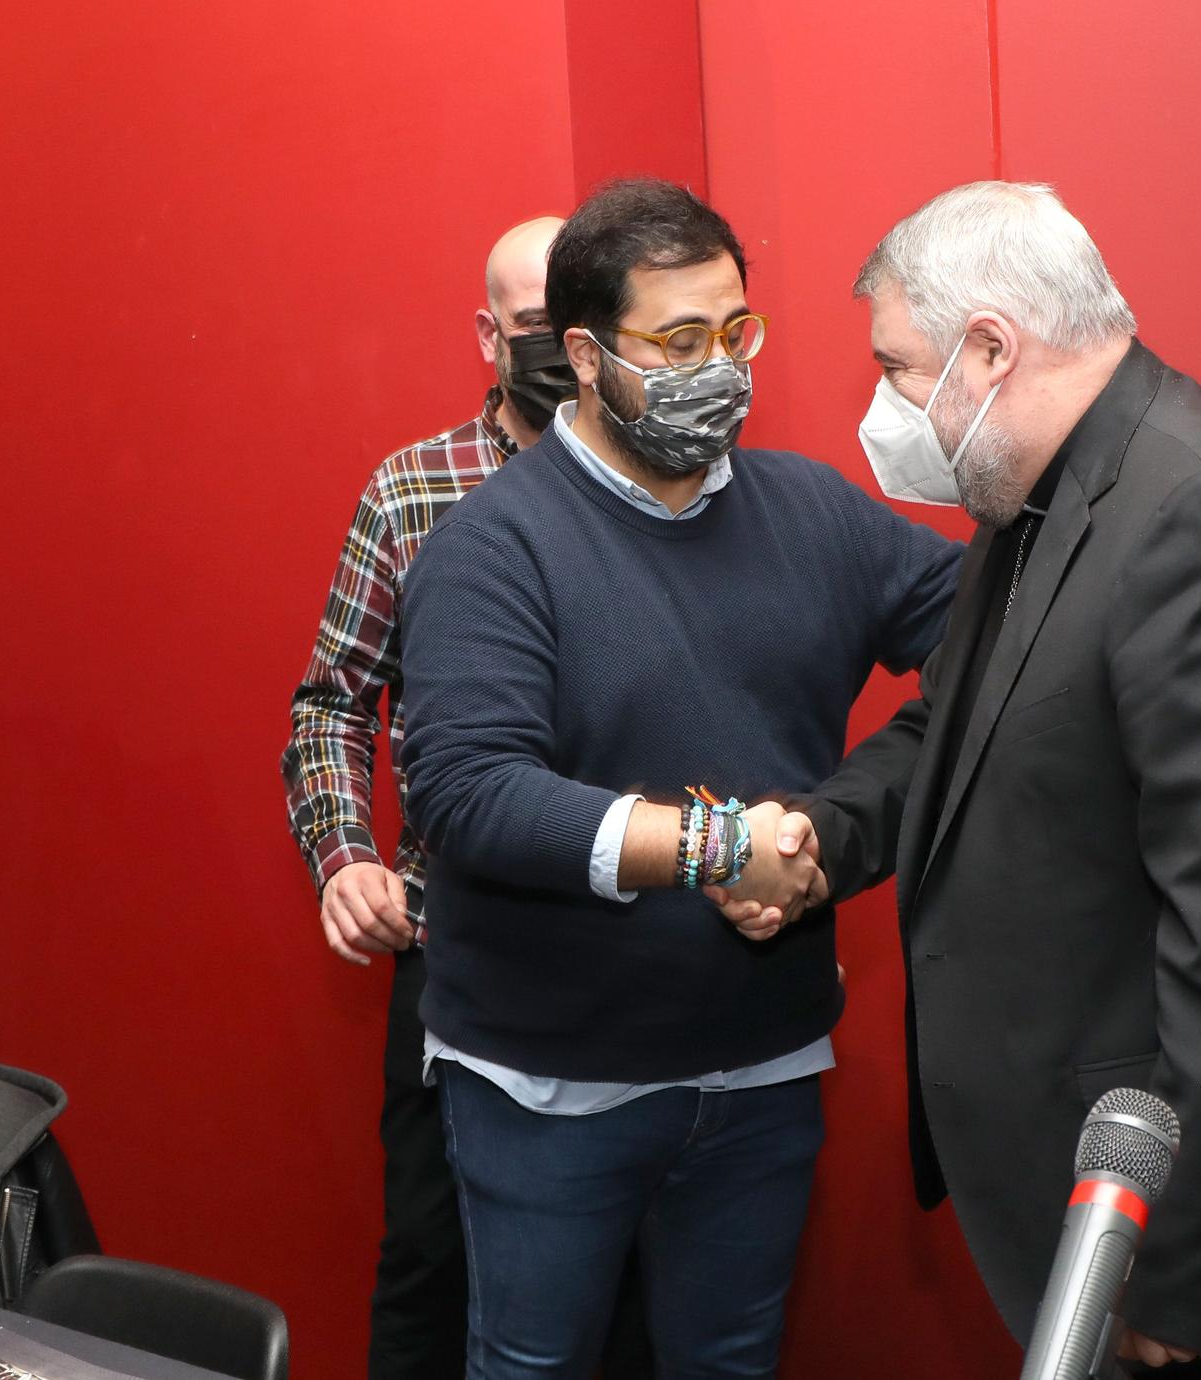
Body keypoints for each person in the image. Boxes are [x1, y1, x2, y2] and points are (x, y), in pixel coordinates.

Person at [715, 181, 1201, 1377]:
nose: (887, 409)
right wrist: (817, 837)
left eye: (899, 369)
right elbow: (956, 727)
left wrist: (1169, 1264)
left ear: (988, 349)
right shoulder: (1039, 491)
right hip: (1092, 1197)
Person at [396, 177, 963, 1379]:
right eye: (680, 341)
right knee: (534, 1364)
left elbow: (995, 636)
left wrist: (822, 833)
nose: (722, 366)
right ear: (589, 358)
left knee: (729, 1360)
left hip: (760, 1067)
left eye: (736, 331)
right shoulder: (491, 547)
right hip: (549, 1088)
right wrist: (714, 848)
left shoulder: (812, 512)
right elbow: (469, 790)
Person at [282, 215, 631, 1379]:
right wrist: (345, 856)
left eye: (582, 321)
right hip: (455, 943)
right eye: (535, 325)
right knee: (435, 1259)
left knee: (631, 1273)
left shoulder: (665, 480)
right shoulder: (412, 490)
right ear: (489, 334)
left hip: (637, 942)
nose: (562, 348)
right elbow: (332, 702)